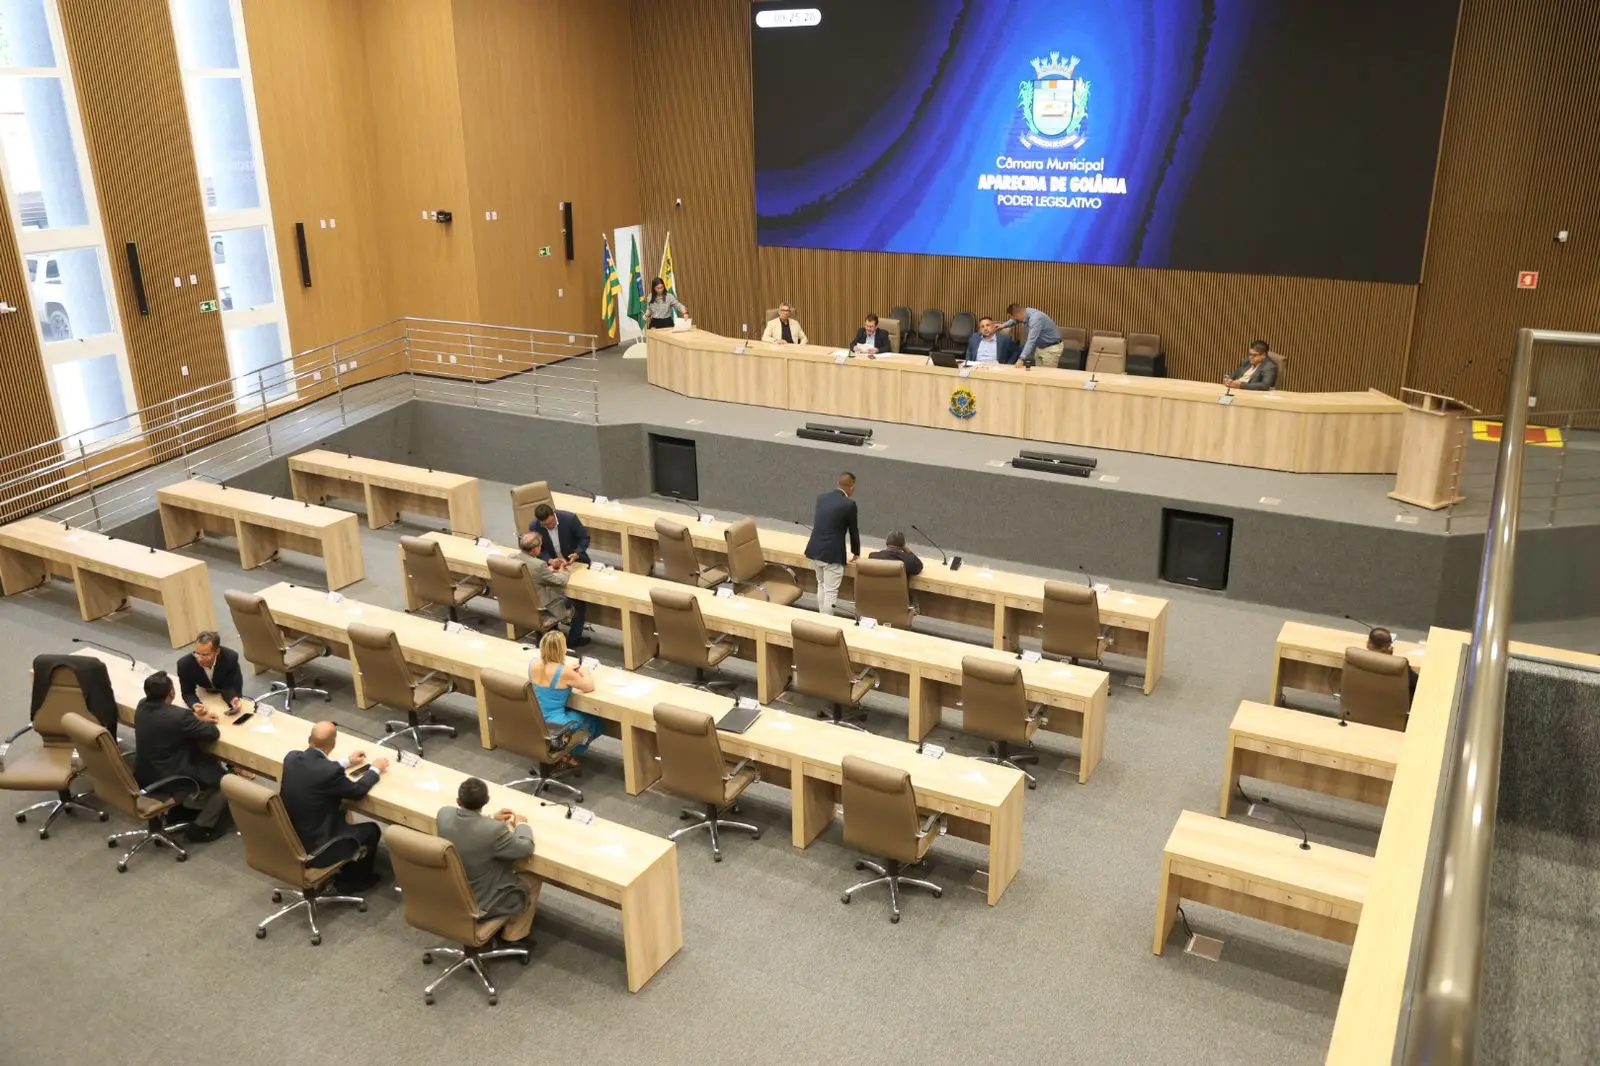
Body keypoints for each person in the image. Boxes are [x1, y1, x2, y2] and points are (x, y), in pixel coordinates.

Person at [280, 721, 389, 892]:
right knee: (371, 830)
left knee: (341, 813)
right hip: (317, 849)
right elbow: (358, 791)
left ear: (309, 740)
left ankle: (348, 865)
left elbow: (320, 770)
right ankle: (355, 881)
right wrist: (375, 769)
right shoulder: (329, 773)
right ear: (333, 744)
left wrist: (347, 762)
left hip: (290, 838)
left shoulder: (291, 758)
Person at [435, 777, 539, 944]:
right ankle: (514, 936)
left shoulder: (443, 814)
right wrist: (521, 825)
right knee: (532, 879)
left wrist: (490, 819)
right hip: (480, 901)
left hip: (450, 893)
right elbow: (525, 848)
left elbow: (469, 831)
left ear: (458, 800)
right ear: (486, 801)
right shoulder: (494, 830)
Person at [133, 670, 231, 841]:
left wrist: (192, 720)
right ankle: (202, 827)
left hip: (145, 774)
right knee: (226, 782)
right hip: (172, 777)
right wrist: (197, 721)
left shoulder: (142, 705)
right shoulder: (178, 716)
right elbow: (212, 734)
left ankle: (181, 811)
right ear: (171, 692)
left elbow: (171, 722)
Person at [528, 630, 601, 770]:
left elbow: (550, 673)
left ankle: (562, 751)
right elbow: (588, 686)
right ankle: (566, 753)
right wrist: (584, 671)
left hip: (535, 719)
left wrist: (566, 671)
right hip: (556, 723)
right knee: (594, 721)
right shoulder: (564, 672)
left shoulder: (533, 664)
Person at [529, 505, 593, 647]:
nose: (549, 526)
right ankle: (554, 637)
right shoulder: (534, 526)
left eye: (551, 523)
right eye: (545, 525)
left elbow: (584, 538)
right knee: (555, 596)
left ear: (554, 515)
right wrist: (549, 560)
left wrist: (577, 553)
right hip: (553, 567)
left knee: (579, 599)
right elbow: (538, 550)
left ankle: (573, 639)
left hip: (576, 563)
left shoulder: (569, 519)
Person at [517, 530, 589, 645]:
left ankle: (550, 634)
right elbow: (560, 581)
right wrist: (562, 570)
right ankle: (573, 639)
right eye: (540, 546)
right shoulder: (538, 565)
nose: (540, 548)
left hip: (520, 604)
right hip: (543, 608)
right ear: (535, 549)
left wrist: (547, 570)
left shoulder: (512, 557)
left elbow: (532, 572)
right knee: (579, 602)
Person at [803, 472, 859, 616]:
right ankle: (827, 623)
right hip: (832, 554)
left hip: (815, 549)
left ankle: (822, 617)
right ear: (851, 486)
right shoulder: (849, 504)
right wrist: (856, 552)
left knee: (821, 585)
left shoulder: (821, 498)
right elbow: (853, 530)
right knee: (831, 591)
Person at [176, 630, 243, 714]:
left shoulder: (230, 658)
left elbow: (232, 684)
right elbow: (187, 692)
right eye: (197, 653)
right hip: (204, 693)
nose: (199, 659)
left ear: (217, 652)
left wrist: (233, 698)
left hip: (222, 692)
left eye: (205, 655)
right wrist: (194, 704)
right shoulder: (185, 664)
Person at [1005, 303, 1064, 368]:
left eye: (1014, 318)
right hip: (1040, 347)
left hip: (1051, 348)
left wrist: (1021, 359)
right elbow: (1014, 321)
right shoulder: (1025, 312)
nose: (1014, 320)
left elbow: (1030, 341)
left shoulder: (1035, 319)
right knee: (1038, 374)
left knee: (1047, 375)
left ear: (1017, 316)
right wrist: (1002, 325)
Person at [1366, 626, 1419, 697]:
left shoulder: (1355, 660)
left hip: (1360, 704)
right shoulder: (1400, 665)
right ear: (1388, 648)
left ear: (1368, 644)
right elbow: (1418, 684)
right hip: (1391, 706)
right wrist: (1389, 657)